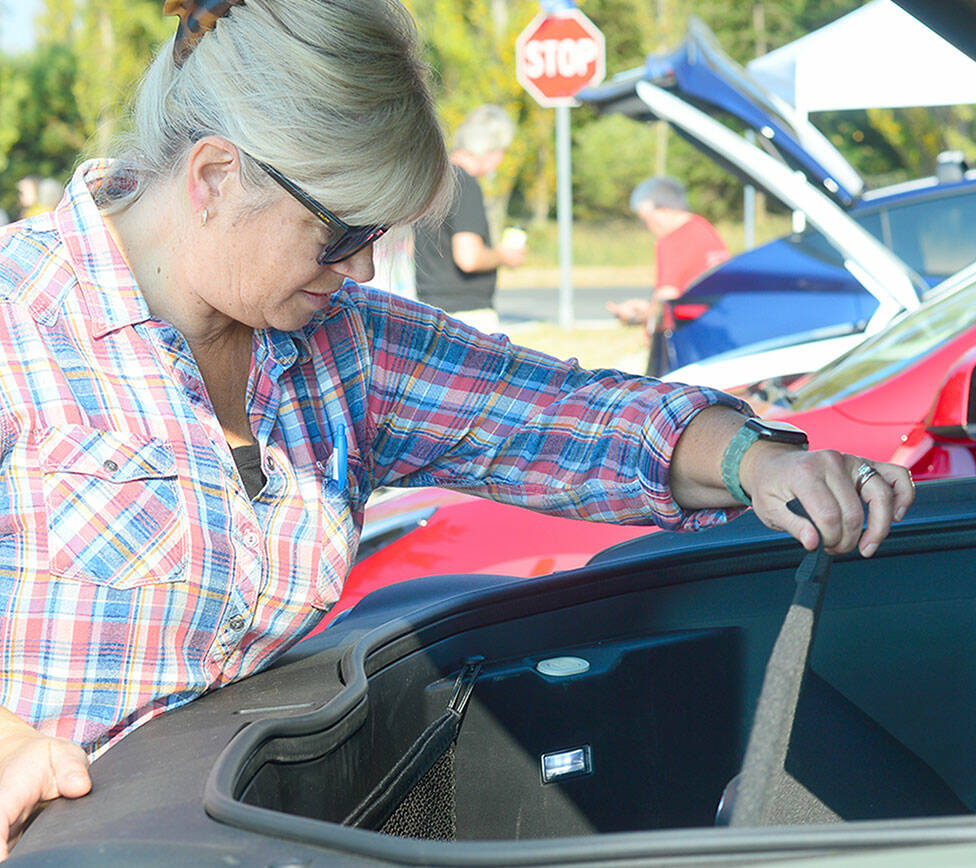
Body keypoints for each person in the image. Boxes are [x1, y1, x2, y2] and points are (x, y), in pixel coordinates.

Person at [0, 0, 913, 854]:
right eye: (343, 229)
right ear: (213, 177)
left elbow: (559, 417)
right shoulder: (18, 319)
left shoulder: (340, 345)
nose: (361, 266)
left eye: (382, 236)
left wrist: (756, 461)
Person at [412, 104, 526, 333]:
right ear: (490, 150)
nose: (500, 159)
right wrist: (503, 255)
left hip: (429, 307)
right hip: (467, 313)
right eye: (501, 151)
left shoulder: (430, 181)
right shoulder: (465, 183)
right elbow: (469, 258)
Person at [607, 176, 730, 328]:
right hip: (715, 323)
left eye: (647, 219)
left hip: (686, 332)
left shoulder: (672, 241)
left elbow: (665, 303)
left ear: (663, 210)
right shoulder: (704, 227)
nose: (648, 227)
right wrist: (647, 307)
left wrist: (634, 317)